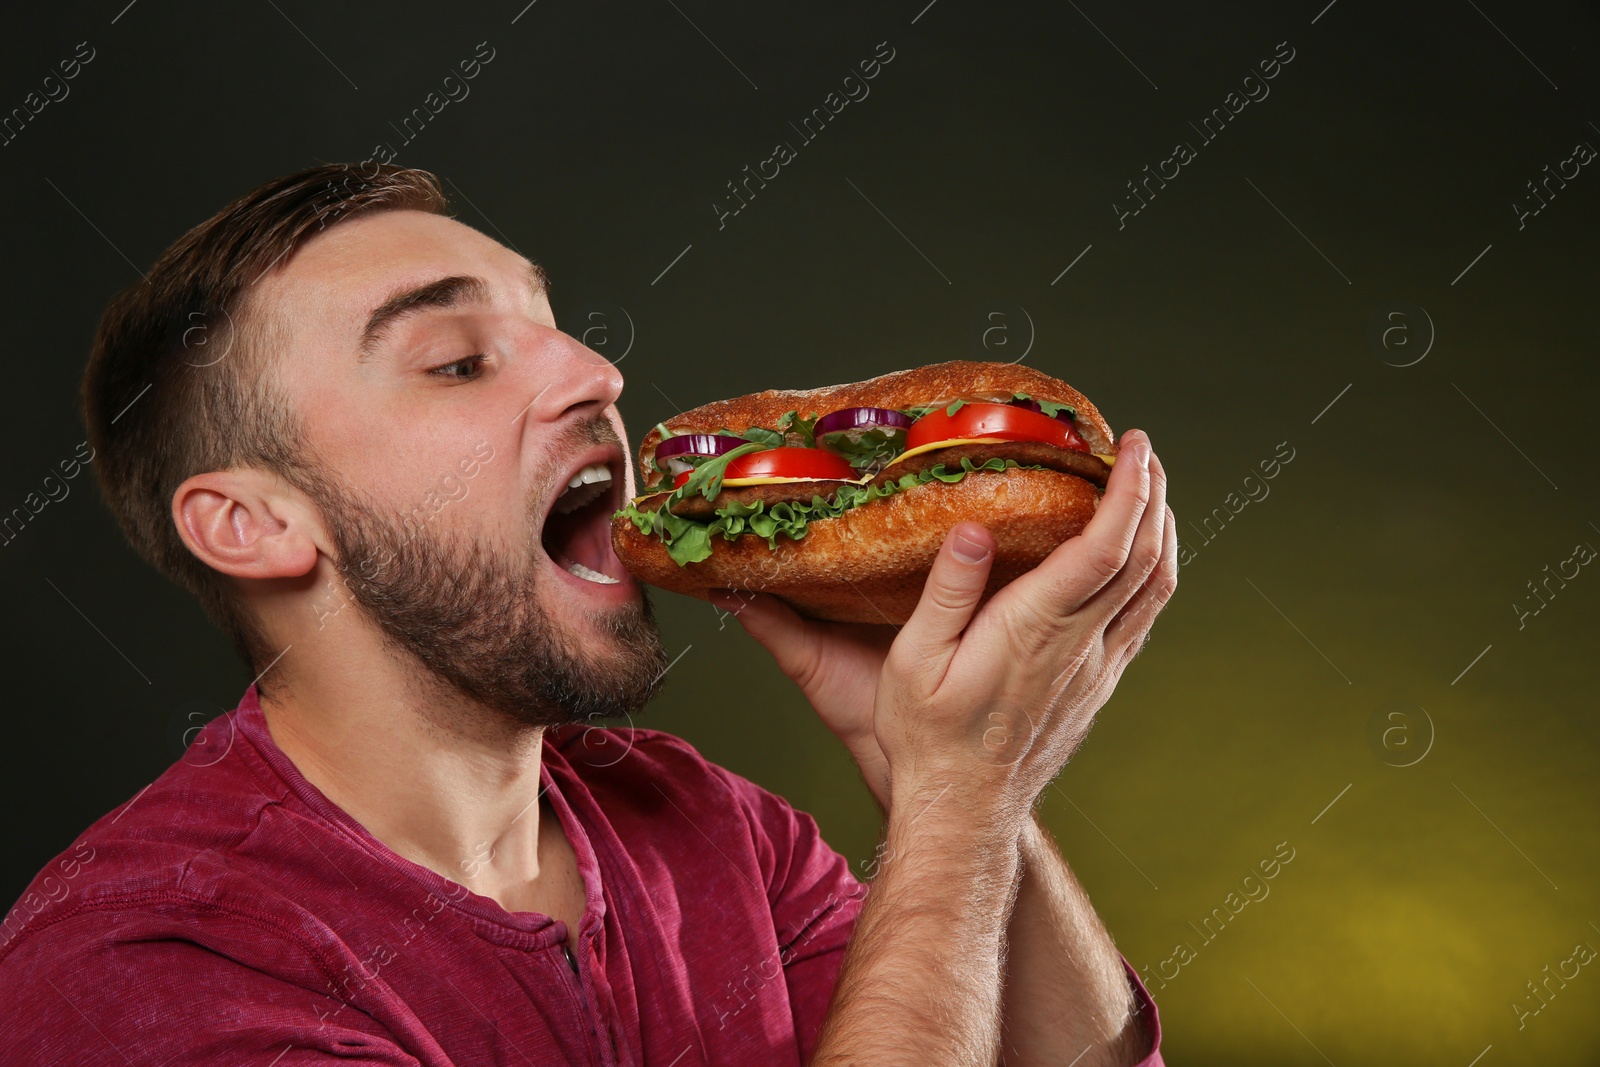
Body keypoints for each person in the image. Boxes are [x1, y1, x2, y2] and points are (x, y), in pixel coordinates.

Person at [0, 163, 1177, 1066]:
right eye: (458, 360)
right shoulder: (136, 964)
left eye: (552, 322)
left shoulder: (708, 824)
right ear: (252, 523)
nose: (595, 372)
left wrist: (936, 769)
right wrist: (956, 809)